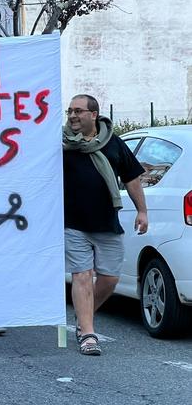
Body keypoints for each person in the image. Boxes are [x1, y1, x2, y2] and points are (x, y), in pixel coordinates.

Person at [63, 94, 148, 356]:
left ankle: (82, 317)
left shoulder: (113, 143)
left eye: (78, 111)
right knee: (82, 275)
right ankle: (88, 334)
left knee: (110, 278)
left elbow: (132, 178)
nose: (73, 116)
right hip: (72, 223)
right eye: (70, 112)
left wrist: (142, 211)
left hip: (107, 223)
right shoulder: (61, 144)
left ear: (94, 115)